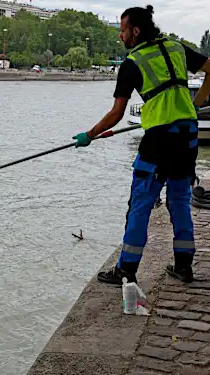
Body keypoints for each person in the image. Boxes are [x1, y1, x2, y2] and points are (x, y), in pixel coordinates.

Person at [72, 5, 210, 284]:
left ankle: (126, 270)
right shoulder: (176, 47)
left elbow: (116, 114)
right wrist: (195, 106)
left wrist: (90, 134)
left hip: (159, 141)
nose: (120, 36)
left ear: (135, 31)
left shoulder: (133, 64)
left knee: (141, 203)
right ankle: (184, 266)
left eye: (122, 30)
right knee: (180, 200)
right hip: (188, 135)